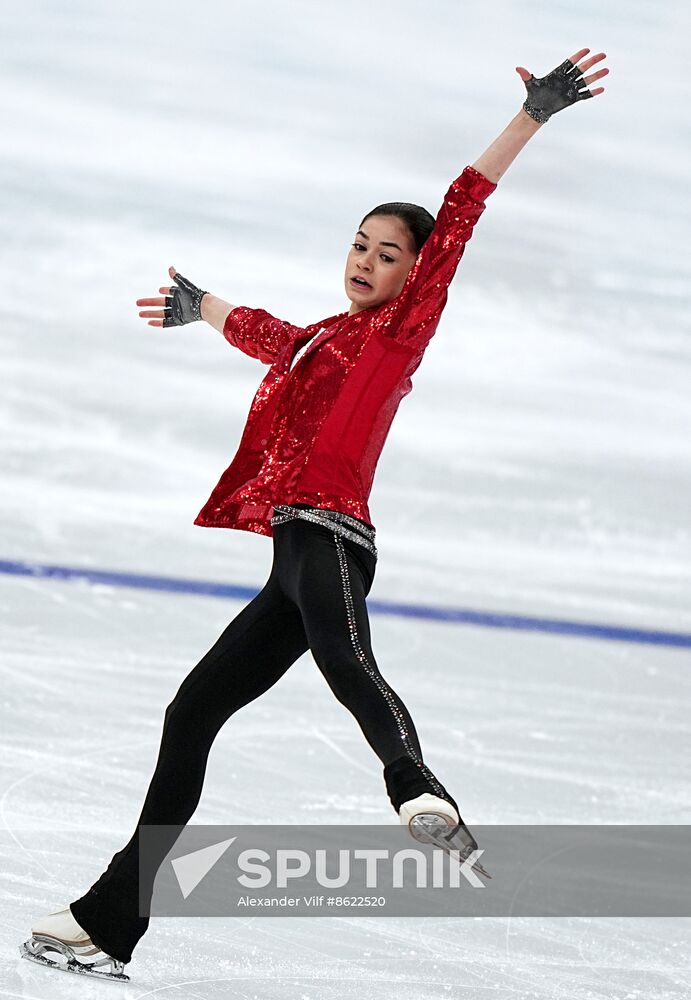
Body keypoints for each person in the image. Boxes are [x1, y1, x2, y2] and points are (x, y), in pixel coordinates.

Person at [21, 48, 608, 982]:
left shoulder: (398, 329)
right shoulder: (323, 339)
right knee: (192, 712)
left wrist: (529, 118)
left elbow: (459, 210)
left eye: (388, 254)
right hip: (291, 555)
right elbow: (270, 337)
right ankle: (110, 920)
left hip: (331, 537)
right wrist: (199, 305)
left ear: (415, 273)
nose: (365, 263)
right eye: (358, 246)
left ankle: (417, 786)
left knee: (345, 661)